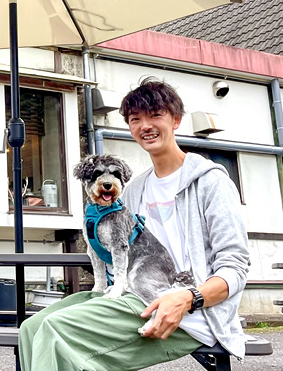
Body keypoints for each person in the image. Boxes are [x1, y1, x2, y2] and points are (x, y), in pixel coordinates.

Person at [19, 78, 249, 371]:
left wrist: (188, 299)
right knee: (31, 327)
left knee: (58, 329)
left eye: (155, 115)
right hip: (131, 292)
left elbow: (235, 266)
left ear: (176, 120)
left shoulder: (211, 183)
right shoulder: (135, 189)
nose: (145, 126)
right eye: (135, 119)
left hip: (191, 313)